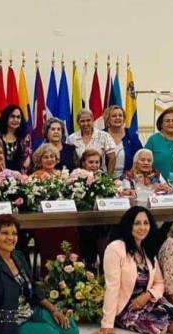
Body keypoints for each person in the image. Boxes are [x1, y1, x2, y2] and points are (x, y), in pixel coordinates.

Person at [94, 207, 173, 334]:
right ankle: (121, 320)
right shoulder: (116, 248)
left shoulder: (147, 249)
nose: (142, 227)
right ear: (129, 225)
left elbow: (159, 282)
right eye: (137, 223)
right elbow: (112, 286)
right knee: (160, 329)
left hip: (147, 300)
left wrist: (148, 295)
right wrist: (107, 324)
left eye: (146, 223)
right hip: (127, 306)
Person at [30, 144, 81, 274]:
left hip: (64, 219)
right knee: (50, 234)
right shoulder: (35, 177)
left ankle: (72, 274)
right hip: (45, 222)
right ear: (39, 160)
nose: (49, 160)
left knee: (73, 231)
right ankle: (50, 276)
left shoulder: (62, 175)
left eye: (52, 157)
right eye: (45, 157)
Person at [78, 148, 112, 271]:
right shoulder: (76, 176)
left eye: (97, 162)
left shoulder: (104, 176)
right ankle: (89, 267)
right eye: (91, 162)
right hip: (83, 220)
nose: (94, 165)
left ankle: (105, 268)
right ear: (83, 163)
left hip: (101, 220)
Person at [67, 109, 116, 176]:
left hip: (99, 177)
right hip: (79, 178)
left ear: (93, 120)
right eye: (82, 121)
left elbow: (112, 158)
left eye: (88, 120)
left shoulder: (104, 136)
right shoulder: (71, 138)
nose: (86, 123)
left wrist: (109, 178)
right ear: (78, 122)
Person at [145, 108, 173, 179]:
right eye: (167, 121)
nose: (171, 123)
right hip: (160, 187)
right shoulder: (153, 140)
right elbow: (144, 163)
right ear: (161, 124)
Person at [104, 105, 143, 179]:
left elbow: (140, 156)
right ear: (108, 119)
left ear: (124, 118)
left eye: (120, 115)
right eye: (114, 116)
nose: (117, 118)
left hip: (127, 179)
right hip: (103, 178)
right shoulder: (102, 135)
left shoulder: (131, 136)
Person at [0, 105, 32, 172]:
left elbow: (27, 160)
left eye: (18, 117)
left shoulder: (25, 138)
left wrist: (20, 176)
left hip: (19, 176)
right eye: (12, 116)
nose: (16, 120)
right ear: (6, 118)